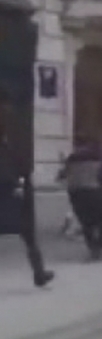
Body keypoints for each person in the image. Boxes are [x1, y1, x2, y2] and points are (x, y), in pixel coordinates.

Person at [0, 123, 54, 287]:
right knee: (28, 236)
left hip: (13, 199)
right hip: (10, 200)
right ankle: (39, 273)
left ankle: (39, 273)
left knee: (29, 236)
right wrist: (17, 184)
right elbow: (6, 174)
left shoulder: (8, 149)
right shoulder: (5, 150)